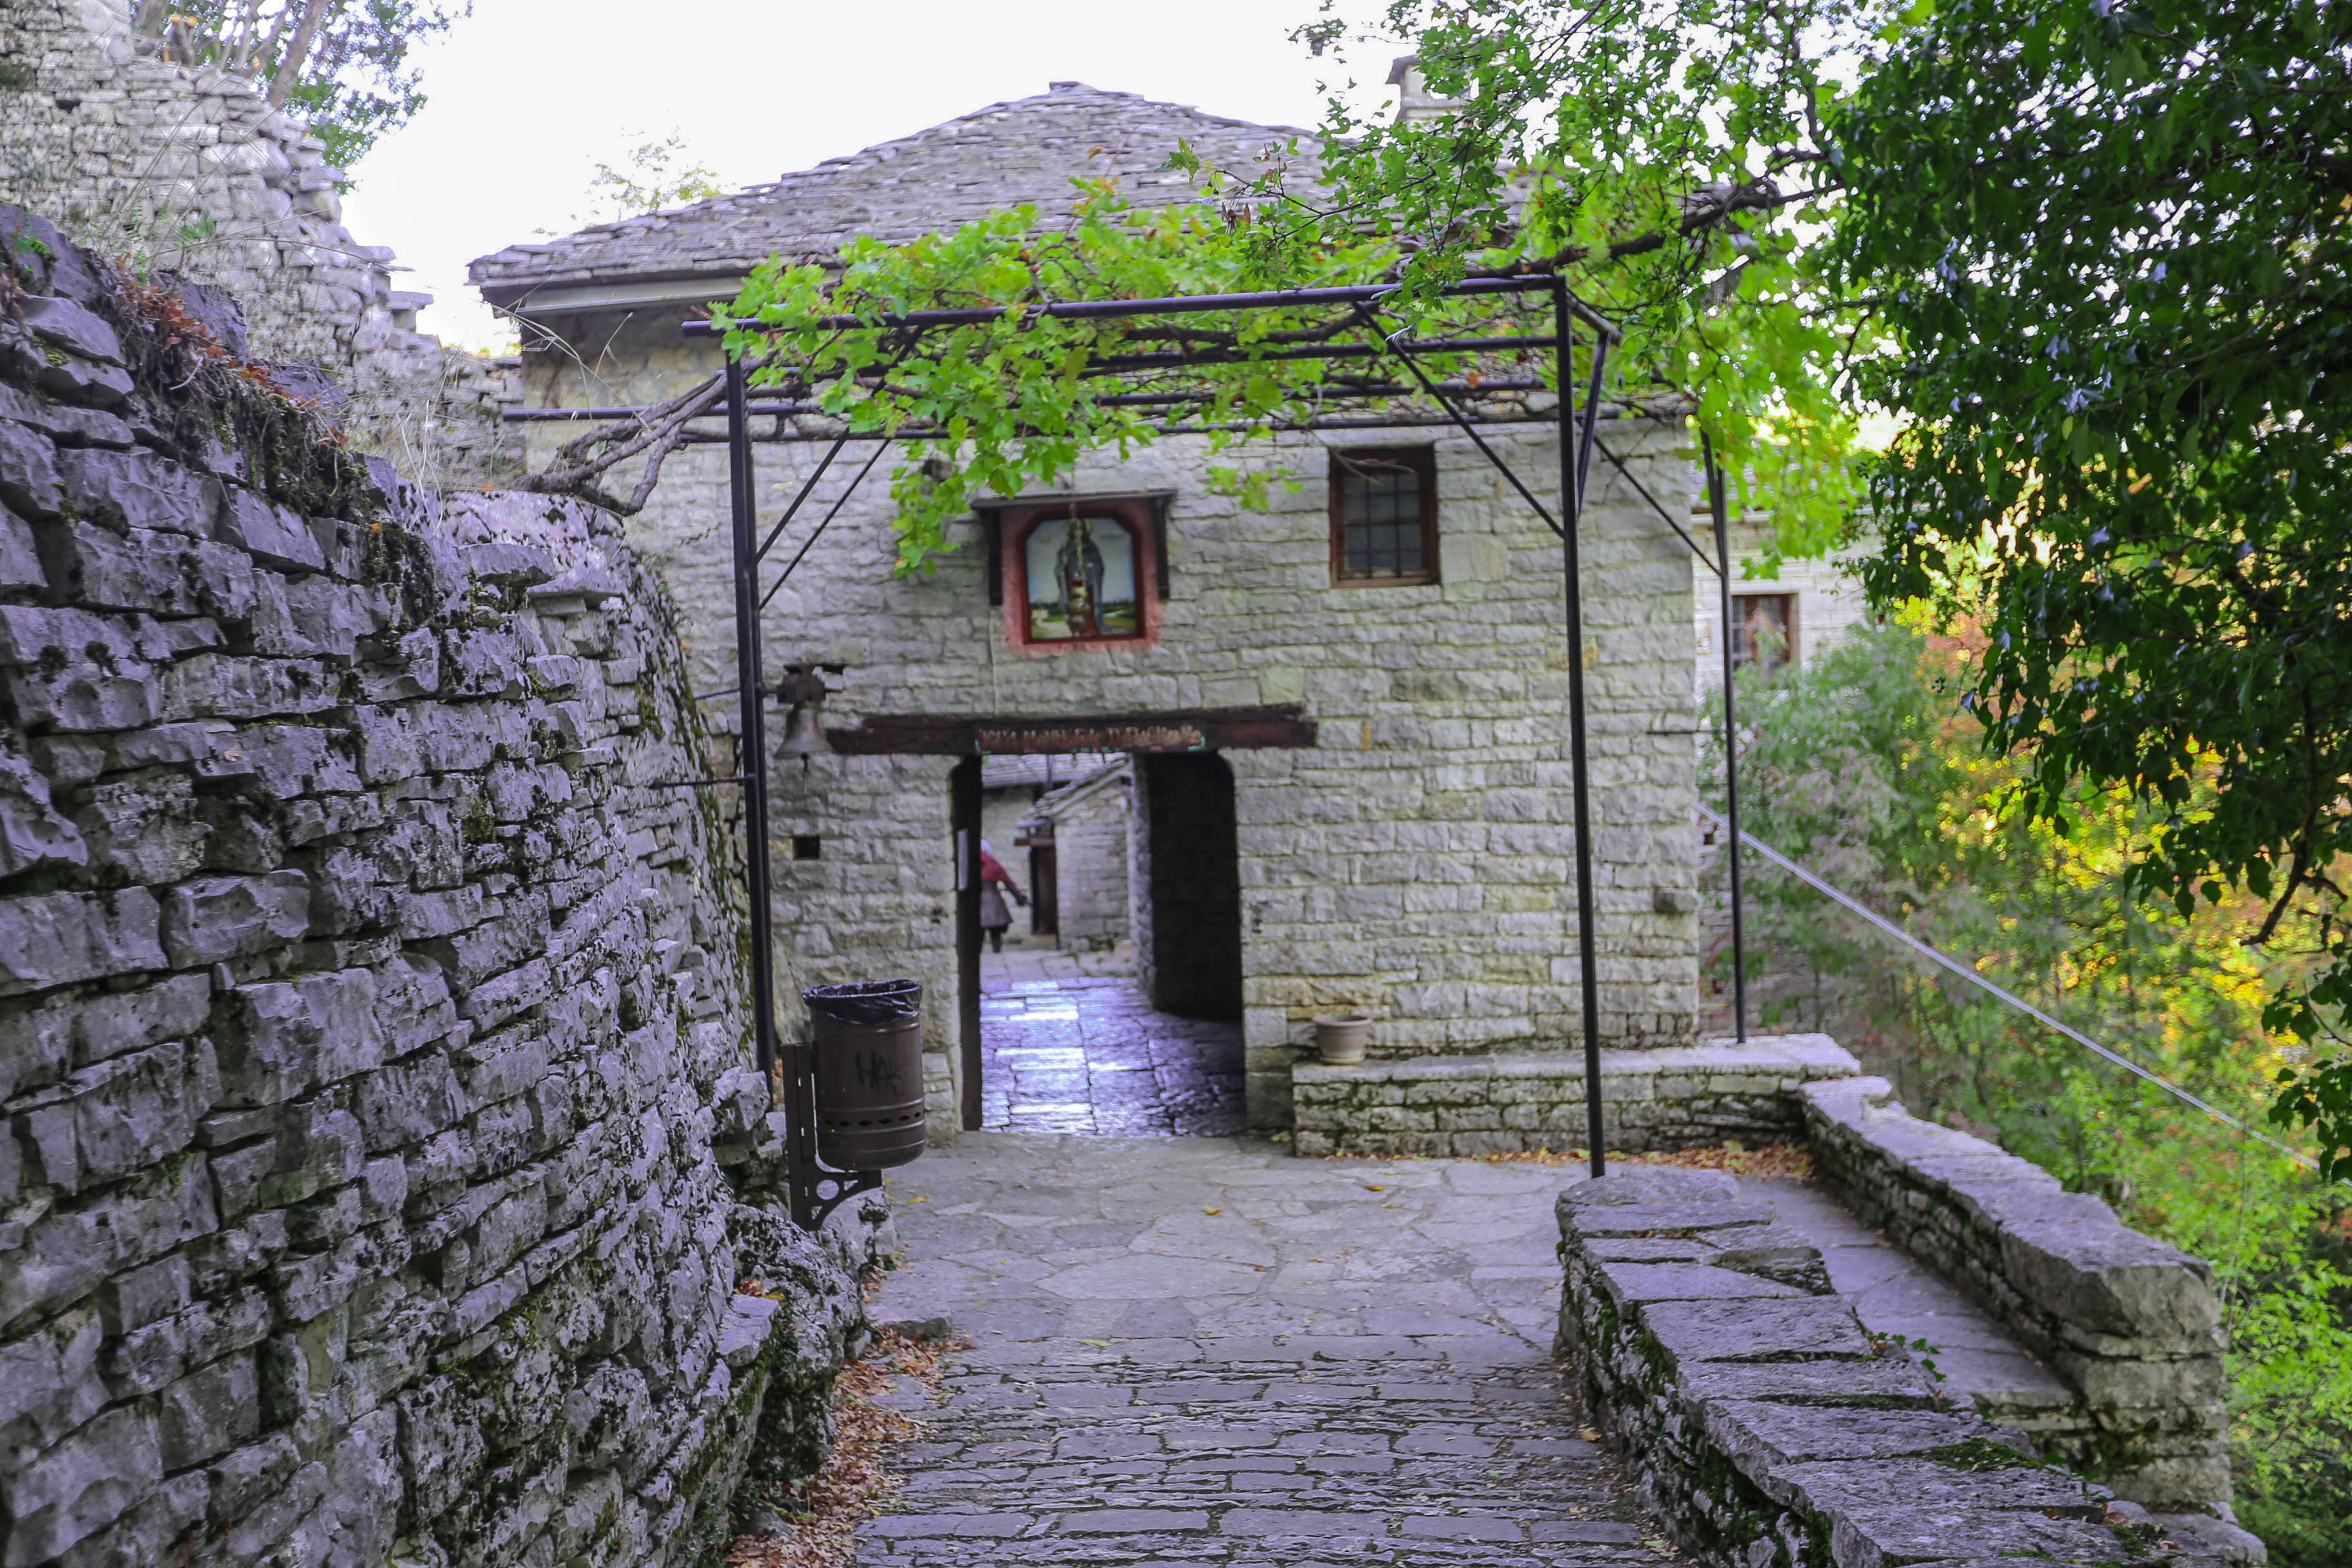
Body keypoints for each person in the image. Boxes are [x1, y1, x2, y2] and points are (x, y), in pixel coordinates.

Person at [977, 839, 1027, 953]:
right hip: (994, 902)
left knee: (978, 935)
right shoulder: (993, 863)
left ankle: (977, 956)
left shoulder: (971, 863)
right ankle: (997, 954)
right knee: (996, 934)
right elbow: (1009, 884)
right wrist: (1020, 898)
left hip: (977, 904)